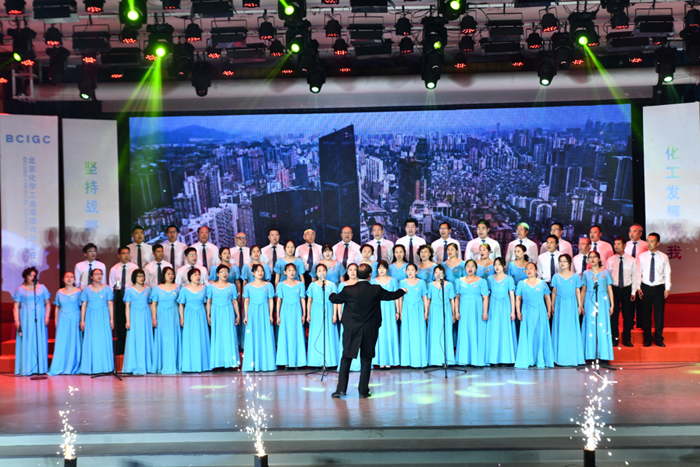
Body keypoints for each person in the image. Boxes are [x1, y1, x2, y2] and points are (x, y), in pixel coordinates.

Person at [329, 263, 406, 398]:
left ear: (358, 275)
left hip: (352, 330)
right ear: (370, 275)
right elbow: (392, 295)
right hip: (370, 329)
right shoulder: (375, 289)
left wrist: (331, 294)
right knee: (366, 359)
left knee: (346, 357)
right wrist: (403, 291)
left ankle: (341, 389)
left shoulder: (348, 290)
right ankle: (363, 391)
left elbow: (335, 299)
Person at [514, 263, 554, 369]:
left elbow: (547, 297)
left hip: (540, 310)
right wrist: (518, 311)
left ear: (536, 271)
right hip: (526, 310)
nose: (529, 270)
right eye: (527, 269)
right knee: (527, 334)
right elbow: (518, 298)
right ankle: (528, 359)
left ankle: (540, 359)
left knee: (540, 333)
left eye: (531, 268)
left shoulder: (542, 283)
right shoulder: (521, 283)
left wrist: (549, 310)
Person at [13, 267, 51, 376]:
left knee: (39, 340)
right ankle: (27, 368)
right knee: (27, 340)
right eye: (30, 275)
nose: (32, 277)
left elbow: (47, 303)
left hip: (39, 316)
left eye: (34, 275)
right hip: (26, 317)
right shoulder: (20, 289)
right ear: (25, 277)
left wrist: (47, 316)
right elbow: (16, 306)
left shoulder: (42, 288)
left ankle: (40, 368)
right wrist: (17, 320)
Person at [637, 233, 671, 347]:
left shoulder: (663, 257)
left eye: (652, 241)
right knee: (646, 315)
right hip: (645, 287)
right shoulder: (641, 257)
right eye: (648, 241)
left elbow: (667, 273)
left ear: (658, 243)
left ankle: (659, 339)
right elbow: (638, 273)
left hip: (659, 288)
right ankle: (648, 339)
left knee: (659, 315)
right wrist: (638, 287)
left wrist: (667, 288)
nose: (649, 243)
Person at [551, 255, 585, 367]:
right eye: (560, 261)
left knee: (571, 329)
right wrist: (552, 305)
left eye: (565, 261)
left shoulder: (575, 277)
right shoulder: (556, 276)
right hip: (559, 303)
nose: (562, 263)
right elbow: (554, 292)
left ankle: (572, 357)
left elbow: (577, 291)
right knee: (559, 328)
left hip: (571, 303)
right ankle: (558, 358)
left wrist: (580, 306)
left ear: (569, 263)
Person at [79, 268, 115, 374]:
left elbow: (110, 304)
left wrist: (111, 319)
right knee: (91, 339)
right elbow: (84, 305)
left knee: (103, 339)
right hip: (91, 316)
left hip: (103, 315)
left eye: (100, 274)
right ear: (91, 277)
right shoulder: (86, 289)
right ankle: (91, 367)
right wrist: (82, 320)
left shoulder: (107, 288)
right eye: (96, 274)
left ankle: (105, 367)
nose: (99, 276)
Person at [455, 260, 490, 367]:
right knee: (465, 332)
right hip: (464, 310)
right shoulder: (459, 281)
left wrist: (485, 312)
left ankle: (477, 360)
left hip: (477, 310)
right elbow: (457, 298)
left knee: (477, 332)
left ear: (476, 268)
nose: (470, 268)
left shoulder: (482, 281)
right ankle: (464, 360)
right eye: (468, 266)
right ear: (465, 268)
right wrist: (456, 311)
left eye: (472, 266)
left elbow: (485, 297)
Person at [242, 264, 277, 371]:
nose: (260, 272)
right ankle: (252, 364)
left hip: (264, 311)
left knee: (266, 335)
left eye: (261, 270)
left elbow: (271, 300)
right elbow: (246, 301)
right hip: (252, 312)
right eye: (257, 271)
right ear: (253, 273)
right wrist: (246, 315)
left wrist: (270, 315)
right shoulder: (248, 286)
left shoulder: (268, 285)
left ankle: (267, 364)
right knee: (253, 336)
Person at [606, 237, 639, 347]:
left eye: (619, 244)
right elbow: (607, 277)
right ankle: (614, 338)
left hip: (627, 289)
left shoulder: (631, 260)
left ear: (625, 245)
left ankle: (627, 338)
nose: (616, 246)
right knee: (614, 315)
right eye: (615, 244)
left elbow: (635, 276)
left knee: (628, 316)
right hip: (614, 289)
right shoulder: (610, 260)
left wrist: (633, 292)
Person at [581, 251, 614, 361]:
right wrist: (581, 305)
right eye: (590, 257)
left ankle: (603, 355)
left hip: (602, 300)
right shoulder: (586, 273)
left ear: (599, 259)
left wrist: (612, 304)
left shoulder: (606, 272)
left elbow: (609, 288)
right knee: (590, 325)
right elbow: (583, 290)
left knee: (602, 326)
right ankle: (590, 355)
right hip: (589, 299)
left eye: (594, 257)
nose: (592, 259)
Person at [207, 265, 240, 370]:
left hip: (228, 312)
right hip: (216, 312)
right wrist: (208, 314)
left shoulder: (232, 286)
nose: (224, 274)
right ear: (217, 274)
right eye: (222, 272)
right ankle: (218, 363)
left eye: (226, 272)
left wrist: (238, 314)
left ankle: (230, 362)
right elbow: (209, 301)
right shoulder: (211, 287)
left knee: (228, 335)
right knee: (217, 336)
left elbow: (234, 301)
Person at [49, 272, 82, 375]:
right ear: (63, 279)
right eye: (67, 276)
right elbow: (57, 307)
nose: (69, 278)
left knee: (73, 340)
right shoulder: (59, 292)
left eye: (71, 276)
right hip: (62, 318)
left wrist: (82, 320)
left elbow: (82, 306)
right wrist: (56, 320)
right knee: (62, 342)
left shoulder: (79, 292)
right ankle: (59, 366)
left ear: (74, 279)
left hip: (75, 318)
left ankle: (73, 365)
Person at [307, 264, 339, 368]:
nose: (322, 273)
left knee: (328, 334)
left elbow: (335, 301)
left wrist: (334, 314)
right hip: (316, 310)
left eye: (324, 270)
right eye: (319, 271)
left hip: (328, 309)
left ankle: (330, 361)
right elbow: (309, 300)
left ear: (327, 272)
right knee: (317, 334)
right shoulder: (312, 285)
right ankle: (317, 361)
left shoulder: (332, 285)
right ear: (316, 273)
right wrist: (308, 314)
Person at [486, 258, 518, 365]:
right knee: (494, 330)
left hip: (505, 305)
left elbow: (512, 295)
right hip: (493, 306)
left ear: (504, 266)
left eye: (499, 264)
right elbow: (487, 295)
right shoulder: (490, 278)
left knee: (505, 330)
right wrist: (486, 310)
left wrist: (513, 311)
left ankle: (506, 359)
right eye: (495, 264)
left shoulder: (509, 279)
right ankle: (493, 359)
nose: (497, 267)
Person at [275, 263, 307, 369]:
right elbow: (279, 300)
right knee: (285, 334)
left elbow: (302, 299)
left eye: (293, 270)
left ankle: (298, 361)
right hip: (285, 311)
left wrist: (304, 314)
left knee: (297, 334)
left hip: (297, 310)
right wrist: (278, 315)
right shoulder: (281, 285)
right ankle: (286, 362)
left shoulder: (300, 284)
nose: (292, 272)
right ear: (285, 272)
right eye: (289, 270)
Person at [178, 268, 210, 372]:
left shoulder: (204, 288)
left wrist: (208, 315)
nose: (197, 276)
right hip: (189, 315)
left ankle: (203, 365)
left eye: (199, 274)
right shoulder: (184, 289)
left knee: (201, 337)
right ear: (190, 277)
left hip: (201, 314)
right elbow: (181, 304)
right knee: (190, 338)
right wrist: (182, 317)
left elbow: (206, 303)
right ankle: (189, 365)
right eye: (195, 275)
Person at [150, 266, 181, 374]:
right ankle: (162, 364)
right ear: (163, 275)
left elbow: (181, 304)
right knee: (163, 339)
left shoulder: (178, 287)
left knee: (174, 338)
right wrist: (154, 318)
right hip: (162, 315)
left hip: (174, 314)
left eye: (172, 274)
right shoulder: (157, 288)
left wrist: (181, 317)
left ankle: (174, 364)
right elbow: (154, 304)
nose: (171, 276)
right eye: (168, 274)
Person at [370, 261, 401, 369]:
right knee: (379, 333)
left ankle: (390, 360)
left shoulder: (393, 281)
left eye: (383, 268)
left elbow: (397, 296)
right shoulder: (373, 281)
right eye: (379, 268)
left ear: (387, 269)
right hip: (377, 309)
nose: (381, 270)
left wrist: (398, 311)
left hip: (390, 308)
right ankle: (379, 360)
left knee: (390, 332)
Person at [108, 247, 139, 355]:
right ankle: (121, 349)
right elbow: (112, 285)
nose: (126, 255)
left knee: (132, 321)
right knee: (121, 322)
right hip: (119, 295)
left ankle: (133, 348)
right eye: (124, 253)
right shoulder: (114, 269)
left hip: (132, 296)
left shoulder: (135, 267)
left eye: (128, 253)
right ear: (119, 255)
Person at [123, 269, 153, 375]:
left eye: (142, 276)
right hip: (134, 315)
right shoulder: (129, 290)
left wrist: (152, 318)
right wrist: (128, 320)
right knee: (134, 339)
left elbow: (150, 303)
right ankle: (133, 366)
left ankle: (146, 366)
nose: (141, 278)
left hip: (145, 315)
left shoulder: (148, 289)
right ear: (134, 277)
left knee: (145, 338)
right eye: (139, 276)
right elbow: (127, 306)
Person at [399, 263, 429, 368]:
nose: (410, 271)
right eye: (408, 269)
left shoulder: (421, 282)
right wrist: (400, 312)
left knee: (419, 333)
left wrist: (426, 311)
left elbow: (424, 297)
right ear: (405, 271)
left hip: (418, 309)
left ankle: (419, 361)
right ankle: (407, 361)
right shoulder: (402, 283)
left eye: (412, 270)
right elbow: (400, 298)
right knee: (407, 333)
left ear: (416, 271)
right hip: (406, 309)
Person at [426, 265, 457, 367]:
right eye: (436, 272)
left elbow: (452, 300)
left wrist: (453, 314)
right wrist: (427, 313)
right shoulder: (430, 285)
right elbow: (428, 300)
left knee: (446, 334)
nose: (438, 274)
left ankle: (447, 359)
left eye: (440, 272)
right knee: (434, 334)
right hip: (434, 310)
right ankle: (434, 360)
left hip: (446, 309)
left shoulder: (449, 285)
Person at [336, 265, 362, 372]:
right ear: (347, 272)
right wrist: (339, 313)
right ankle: (346, 365)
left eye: (355, 270)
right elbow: (339, 300)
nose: (353, 272)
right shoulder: (342, 285)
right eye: (350, 270)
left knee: (359, 338)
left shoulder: (362, 283)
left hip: (360, 314)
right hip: (347, 315)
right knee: (347, 339)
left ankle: (358, 364)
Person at [625, 223, 648, 330]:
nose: (631, 233)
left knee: (641, 302)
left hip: (641, 276)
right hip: (629, 277)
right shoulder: (626, 244)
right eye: (630, 231)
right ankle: (630, 323)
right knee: (629, 302)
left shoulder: (645, 245)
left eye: (634, 231)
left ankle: (641, 324)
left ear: (640, 233)